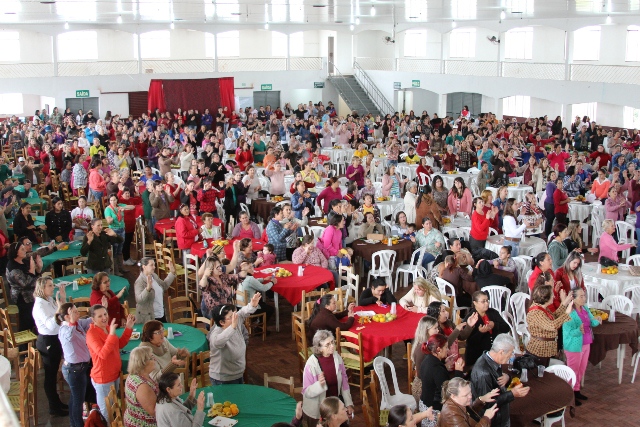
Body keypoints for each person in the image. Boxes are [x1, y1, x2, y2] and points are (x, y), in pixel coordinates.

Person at [86, 304, 135, 420]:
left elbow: (119, 344)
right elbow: (102, 354)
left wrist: (128, 328)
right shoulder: (91, 334)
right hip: (103, 378)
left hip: (114, 374)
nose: (104, 318)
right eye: (100, 316)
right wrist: (112, 334)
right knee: (106, 413)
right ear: (93, 319)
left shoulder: (107, 328)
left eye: (105, 314)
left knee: (114, 407)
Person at [470, 334, 530, 427]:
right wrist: (512, 394)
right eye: (510, 353)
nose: (511, 357)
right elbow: (487, 404)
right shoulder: (483, 372)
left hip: (500, 414)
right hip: (494, 421)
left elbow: (499, 381)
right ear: (501, 352)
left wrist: (507, 377)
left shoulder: (493, 361)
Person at [302, 331, 354, 427]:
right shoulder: (311, 365)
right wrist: (319, 385)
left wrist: (348, 403)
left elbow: (344, 382)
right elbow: (306, 392)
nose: (332, 346)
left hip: (334, 407)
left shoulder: (337, 357)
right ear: (319, 348)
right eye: (327, 345)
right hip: (318, 411)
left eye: (332, 342)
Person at [33, 277, 69, 416]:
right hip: (47, 341)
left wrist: (63, 301)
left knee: (53, 373)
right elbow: (51, 324)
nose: (52, 287)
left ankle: (57, 403)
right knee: (50, 375)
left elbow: (60, 315)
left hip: (55, 338)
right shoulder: (40, 305)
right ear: (42, 288)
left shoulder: (48, 300)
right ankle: (53, 407)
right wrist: (59, 308)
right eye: (49, 285)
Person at [208, 292, 261, 384]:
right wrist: (232, 327)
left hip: (238, 374)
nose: (235, 317)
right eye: (231, 316)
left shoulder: (235, 320)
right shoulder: (216, 333)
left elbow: (243, 312)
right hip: (222, 378)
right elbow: (218, 342)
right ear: (222, 322)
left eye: (234, 314)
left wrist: (252, 305)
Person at [57, 302, 95, 427]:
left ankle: (74, 423)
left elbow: (89, 320)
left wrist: (101, 310)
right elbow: (69, 336)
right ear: (67, 316)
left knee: (75, 399)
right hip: (74, 371)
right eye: (74, 312)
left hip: (80, 368)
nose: (78, 313)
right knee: (78, 401)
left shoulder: (77, 323)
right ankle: (77, 424)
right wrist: (73, 322)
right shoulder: (64, 329)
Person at [562, 287, 601, 404]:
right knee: (572, 371)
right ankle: (570, 395)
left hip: (586, 343)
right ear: (573, 298)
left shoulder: (584, 309)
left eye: (584, 295)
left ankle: (576, 390)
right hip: (573, 346)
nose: (584, 298)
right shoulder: (569, 312)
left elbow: (591, 322)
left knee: (581, 369)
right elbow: (568, 332)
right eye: (581, 296)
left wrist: (597, 320)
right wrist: (578, 330)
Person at [419, 334, 466, 419]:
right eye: (446, 347)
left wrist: (444, 364)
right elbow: (449, 393)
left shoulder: (427, 359)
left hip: (424, 403)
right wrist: (459, 371)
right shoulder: (437, 369)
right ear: (438, 349)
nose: (448, 350)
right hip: (434, 410)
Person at [525, 284, 573, 366]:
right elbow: (552, 326)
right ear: (546, 298)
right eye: (552, 295)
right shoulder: (536, 312)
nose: (554, 297)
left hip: (544, 350)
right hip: (539, 351)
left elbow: (554, 317)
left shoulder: (542, 308)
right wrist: (567, 314)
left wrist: (564, 303)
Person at [462, 290, 511, 367]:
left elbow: (507, 328)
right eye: (483, 301)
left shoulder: (493, 312)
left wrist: (495, 325)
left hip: (493, 351)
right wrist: (480, 332)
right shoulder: (470, 317)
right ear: (475, 303)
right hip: (477, 354)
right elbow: (470, 342)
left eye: (487, 301)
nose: (487, 303)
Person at [6, 241, 40, 331]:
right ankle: (26, 343)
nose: (25, 250)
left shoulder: (22, 260)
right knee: (28, 321)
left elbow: (36, 254)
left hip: (30, 294)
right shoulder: (13, 268)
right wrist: (32, 269)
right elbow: (25, 284)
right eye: (22, 249)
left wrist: (51, 248)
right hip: (23, 298)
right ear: (16, 252)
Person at [123, 346, 159, 427]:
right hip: (144, 424)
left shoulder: (134, 375)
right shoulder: (143, 387)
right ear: (143, 363)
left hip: (132, 418)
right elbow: (155, 412)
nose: (155, 360)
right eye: (151, 358)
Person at [134, 257, 177, 323]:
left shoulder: (154, 276)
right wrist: (147, 289)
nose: (154, 267)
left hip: (161, 314)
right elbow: (139, 300)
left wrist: (172, 273)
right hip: (149, 317)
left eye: (154, 265)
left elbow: (164, 285)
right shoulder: (140, 282)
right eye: (151, 265)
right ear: (144, 267)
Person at [105, 193, 135, 276]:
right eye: (111, 200)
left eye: (114, 200)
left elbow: (133, 207)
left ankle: (121, 267)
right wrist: (110, 219)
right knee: (115, 250)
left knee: (120, 250)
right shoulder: (108, 209)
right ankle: (116, 270)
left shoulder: (120, 205)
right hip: (114, 231)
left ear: (117, 200)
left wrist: (123, 208)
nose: (113, 202)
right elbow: (108, 220)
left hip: (122, 229)